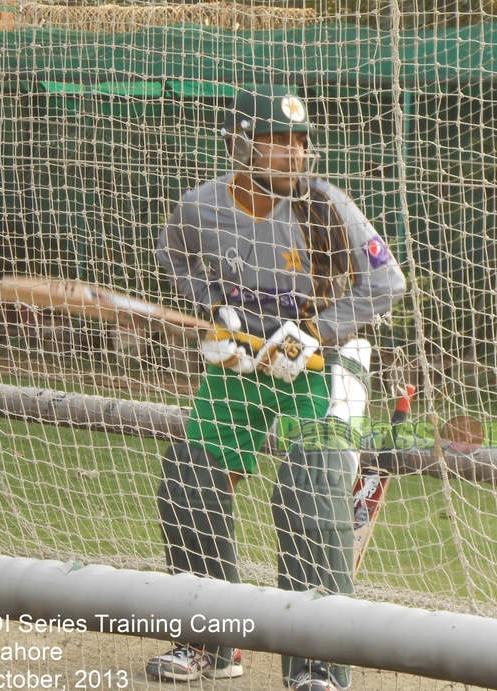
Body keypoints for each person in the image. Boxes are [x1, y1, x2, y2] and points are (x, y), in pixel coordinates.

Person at [146, 83, 407, 691]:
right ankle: (212, 644)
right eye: (277, 143)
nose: (292, 157)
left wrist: (318, 330)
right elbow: (176, 259)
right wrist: (215, 314)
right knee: (189, 483)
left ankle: (318, 667)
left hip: (325, 365)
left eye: (300, 144)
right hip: (246, 364)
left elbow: (387, 282)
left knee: (306, 496)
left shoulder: (325, 206)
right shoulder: (200, 207)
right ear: (242, 147)